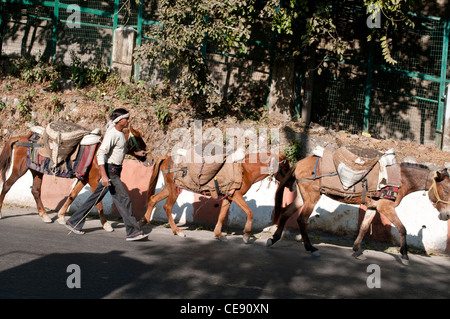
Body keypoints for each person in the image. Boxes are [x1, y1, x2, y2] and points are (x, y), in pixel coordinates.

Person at [66, 108, 148, 241]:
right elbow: (101, 153)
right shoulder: (112, 134)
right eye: (126, 118)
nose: (128, 121)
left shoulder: (120, 134)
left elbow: (119, 149)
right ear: (119, 120)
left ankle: (74, 222)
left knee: (95, 198)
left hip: (115, 171)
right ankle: (133, 232)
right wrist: (104, 176)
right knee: (124, 199)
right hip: (111, 172)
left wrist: (136, 153)